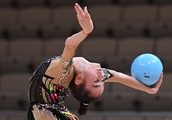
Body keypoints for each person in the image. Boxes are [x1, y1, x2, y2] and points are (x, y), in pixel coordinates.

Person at [27, 3, 163, 120]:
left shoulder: (64, 72)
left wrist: (86, 31)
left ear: (79, 78)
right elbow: (122, 78)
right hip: (47, 110)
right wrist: (149, 90)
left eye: (96, 82)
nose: (101, 77)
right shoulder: (90, 74)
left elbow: (69, 45)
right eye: (102, 81)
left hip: (45, 111)